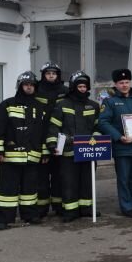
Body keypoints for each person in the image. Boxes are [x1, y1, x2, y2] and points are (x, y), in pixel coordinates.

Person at [0, 71, 44, 230]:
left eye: (32, 85)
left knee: (30, 189)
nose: (29, 87)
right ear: (20, 86)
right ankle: (3, 219)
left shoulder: (39, 107)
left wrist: (45, 152)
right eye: (26, 84)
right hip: (10, 156)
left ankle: (30, 215)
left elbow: (43, 131)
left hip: (32, 155)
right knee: (7, 189)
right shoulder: (6, 105)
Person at [46, 71, 100, 222]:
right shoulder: (62, 105)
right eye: (79, 86)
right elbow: (54, 127)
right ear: (73, 87)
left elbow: (98, 126)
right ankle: (70, 211)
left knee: (87, 181)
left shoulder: (94, 106)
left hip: (88, 151)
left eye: (84, 86)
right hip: (68, 152)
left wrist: (95, 138)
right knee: (69, 182)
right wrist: (52, 143)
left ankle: (86, 208)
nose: (82, 89)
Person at [98, 69, 132, 218]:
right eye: (121, 82)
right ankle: (126, 207)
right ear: (115, 84)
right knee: (124, 179)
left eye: (127, 82)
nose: (124, 85)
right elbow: (103, 122)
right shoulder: (110, 101)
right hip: (122, 147)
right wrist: (119, 137)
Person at [35, 62, 68, 217]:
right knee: (41, 176)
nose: (51, 76)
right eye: (48, 73)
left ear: (58, 75)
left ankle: (58, 205)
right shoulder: (36, 89)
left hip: (60, 135)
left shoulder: (65, 91)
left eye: (54, 73)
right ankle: (41, 208)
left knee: (59, 175)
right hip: (40, 134)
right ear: (43, 75)